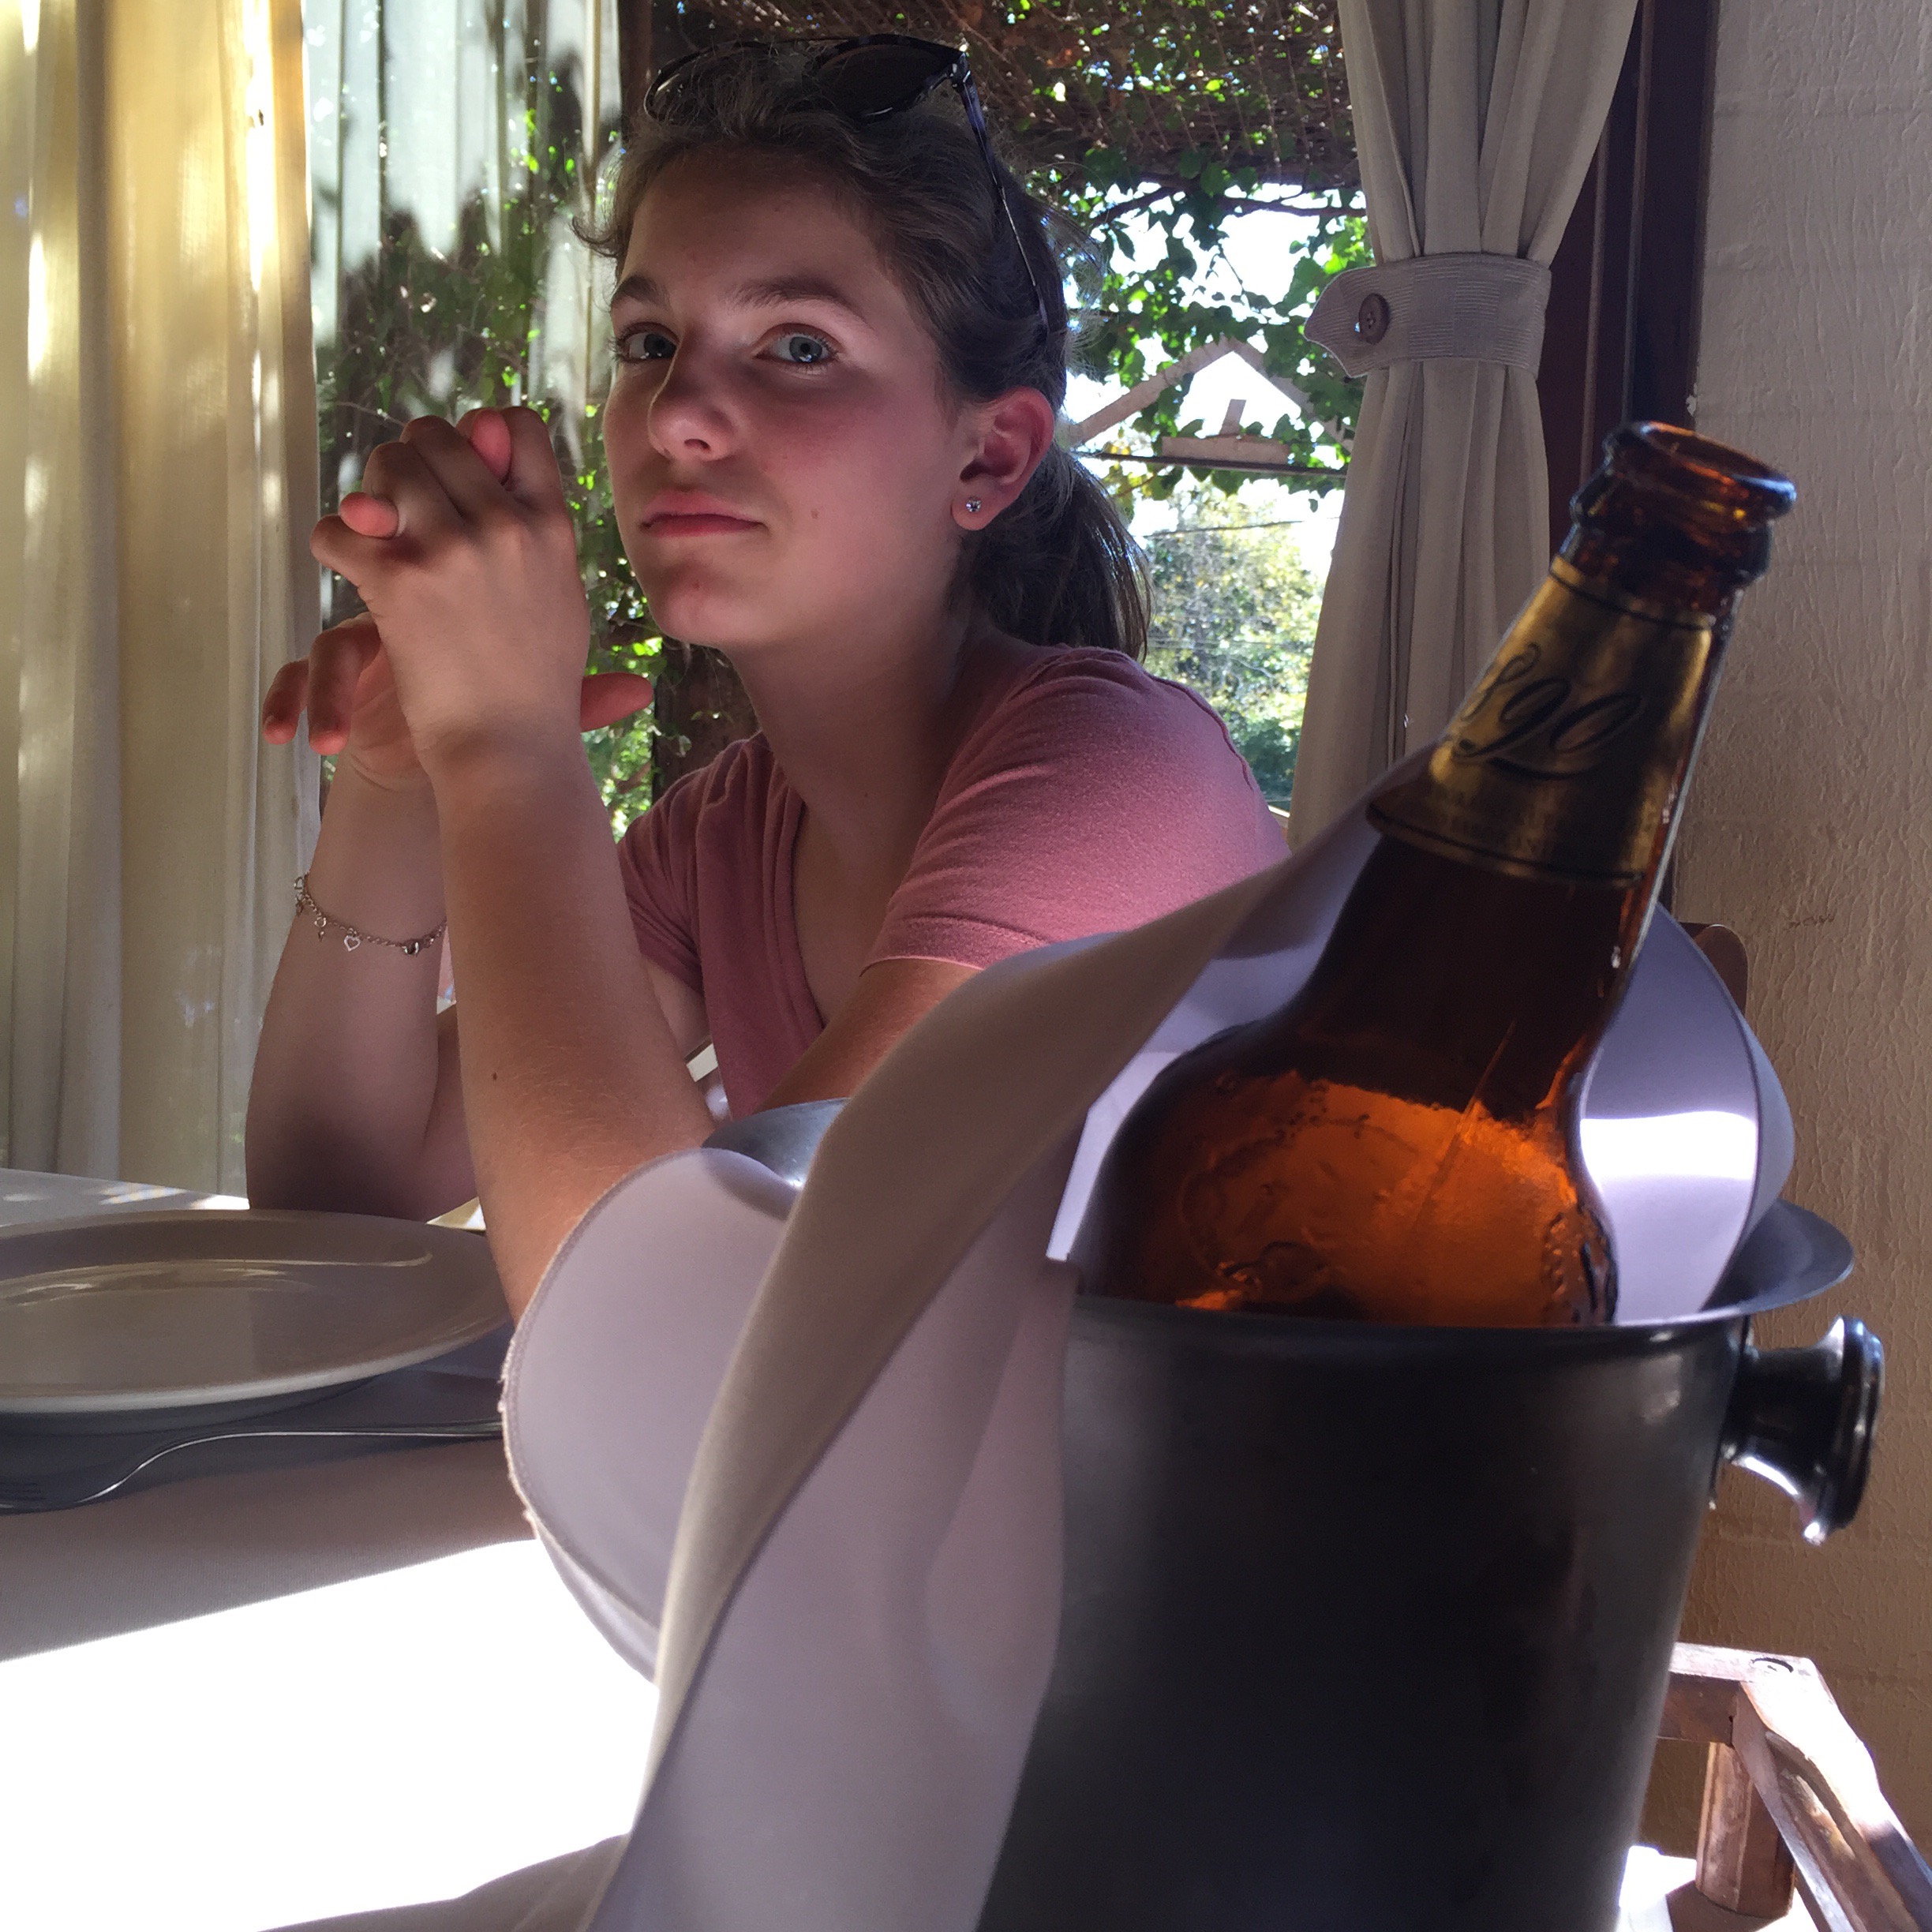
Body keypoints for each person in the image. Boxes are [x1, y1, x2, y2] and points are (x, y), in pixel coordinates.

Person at [246, 39, 1286, 1315]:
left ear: (991, 458)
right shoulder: (722, 841)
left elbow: (690, 1330)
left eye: (798, 345)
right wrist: (399, 771)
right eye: (649, 341)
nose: (677, 413)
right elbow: (334, 1192)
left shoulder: (1118, 779)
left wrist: (506, 746)